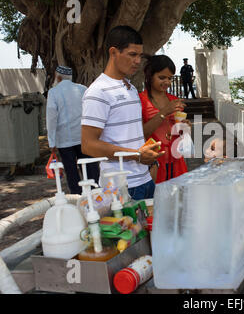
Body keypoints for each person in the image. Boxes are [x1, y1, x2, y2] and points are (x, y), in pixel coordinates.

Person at [81, 26, 162, 200]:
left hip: (145, 180)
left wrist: (148, 159)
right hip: (120, 188)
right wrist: (137, 155)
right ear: (113, 52)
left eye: (140, 55)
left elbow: (130, 134)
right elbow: (88, 145)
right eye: (132, 54)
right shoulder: (98, 91)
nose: (138, 61)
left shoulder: (131, 88)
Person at [46, 65, 99, 194]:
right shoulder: (82, 89)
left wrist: (51, 142)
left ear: (58, 77)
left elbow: (51, 118)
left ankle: (77, 198)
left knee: (71, 171)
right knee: (90, 168)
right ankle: (96, 195)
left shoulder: (54, 92)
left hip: (64, 141)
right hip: (84, 137)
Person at [139, 54, 189, 183]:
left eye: (170, 78)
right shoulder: (140, 100)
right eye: (162, 77)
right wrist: (164, 112)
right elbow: (140, 133)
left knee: (178, 200)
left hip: (176, 161)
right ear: (150, 76)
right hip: (154, 163)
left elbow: (179, 135)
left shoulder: (173, 100)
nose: (167, 82)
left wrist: (185, 128)